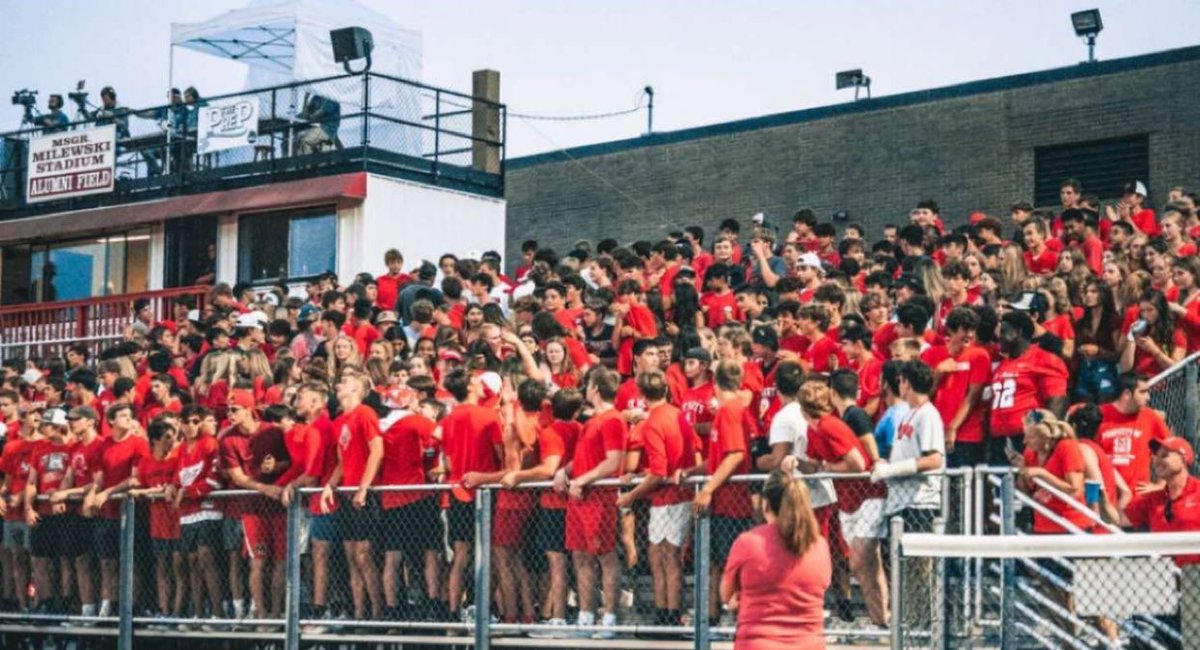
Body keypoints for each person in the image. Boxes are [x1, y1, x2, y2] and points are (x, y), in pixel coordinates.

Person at [552, 367, 626, 639]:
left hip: (599, 497)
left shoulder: (613, 420)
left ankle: (610, 616)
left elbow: (613, 461)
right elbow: (585, 457)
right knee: (579, 555)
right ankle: (586, 615)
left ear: (594, 388)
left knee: (605, 556)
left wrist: (582, 479)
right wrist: (567, 472)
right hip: (580, 497)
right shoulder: (592, 421)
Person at [720, 470, 831, 650]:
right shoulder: (820, 545)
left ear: (766, 505)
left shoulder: (747, 542)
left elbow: (726, 594)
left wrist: (741, 597)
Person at [320, 370, 385, 624]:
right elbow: (341, 462)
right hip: (347, 494)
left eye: (345, 381)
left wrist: (363, 487)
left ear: (358, 388)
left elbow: (376, 451)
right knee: (351, 558)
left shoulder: (365, 413)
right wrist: (329, 486)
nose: (339, 384)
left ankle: (378, 614)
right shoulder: (339, 421)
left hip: (364, 495)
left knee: (364, 556)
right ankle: (359, 614)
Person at [1095, 373, 1171, 492]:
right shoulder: (1099, 415)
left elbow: (1170, 450)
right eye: (1142, 392)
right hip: (1106, 496)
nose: (1148, 397)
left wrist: (1161, 484)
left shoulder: (1150, 417)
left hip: (1139, 498)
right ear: (1127, 394)